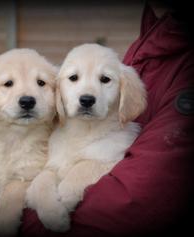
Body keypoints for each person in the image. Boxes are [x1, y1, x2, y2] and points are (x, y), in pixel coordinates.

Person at [19, 2, 194, 236]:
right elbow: (48, 173)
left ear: (125, 95)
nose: (87, 94)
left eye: (105, 80)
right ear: (57, 93)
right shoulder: (150, 37)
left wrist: (72, 187)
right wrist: (43, 199)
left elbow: (130, 188)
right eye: (73, 78)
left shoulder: (120, 135)